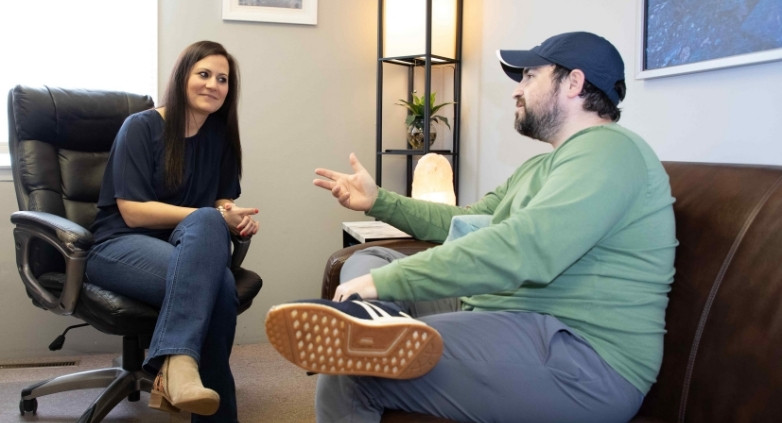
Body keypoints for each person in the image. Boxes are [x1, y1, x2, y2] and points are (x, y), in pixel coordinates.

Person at [266, 31, 677, 422]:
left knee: (353, 370)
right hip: (510, 314)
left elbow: (524, 248)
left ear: (573, 83)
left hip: (582, 360)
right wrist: (379, 202)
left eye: (530, 76)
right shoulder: (544, 165)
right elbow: (465, 220)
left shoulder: (609, 151)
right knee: (371, 258)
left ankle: (374, 329)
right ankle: (377, 325)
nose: (517, 89)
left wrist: (389, 282)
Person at [86, 40, 259, 422]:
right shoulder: (141, 126)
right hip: (118, 247)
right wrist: (211, 215)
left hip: (186, 248)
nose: (213, 84)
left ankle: (179, 366)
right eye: (204, 74)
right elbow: (132, 212)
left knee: (212, 234)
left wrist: (231, 214)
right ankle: (186, 375)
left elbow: (219, 201)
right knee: (222, 286)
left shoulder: (220, 137)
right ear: (182, 77)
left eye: (223, 79)